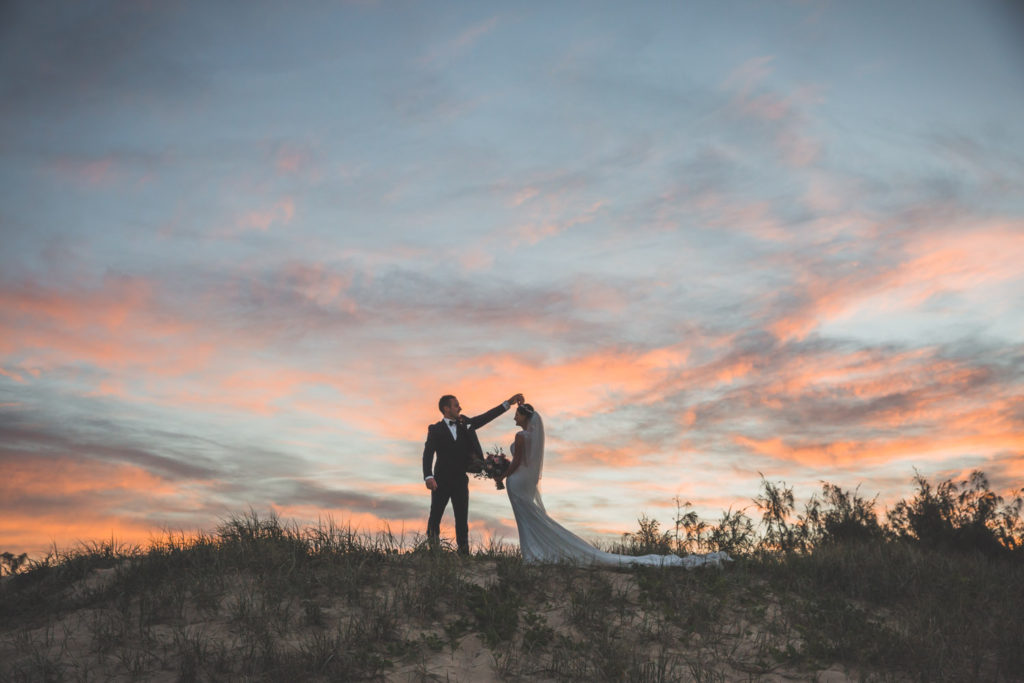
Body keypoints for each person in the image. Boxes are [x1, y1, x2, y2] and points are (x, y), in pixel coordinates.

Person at [503, 403, 732, 567]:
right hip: (523, 483)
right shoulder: (529, 436)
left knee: (528, 518)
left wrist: (500, 476)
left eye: (517, 415)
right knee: (530, 517)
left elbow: (517, 462)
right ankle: (533, 552)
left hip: (518, 480)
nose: (515, 419)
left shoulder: (522, 437)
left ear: (524, 417)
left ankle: (533, 554)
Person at [423, 392, 523, 554]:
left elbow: (485, 417)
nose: (460, 407)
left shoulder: (466, 424)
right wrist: (428, 476)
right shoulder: (435, 429)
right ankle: (434, 552)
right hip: (440, 480)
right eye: (456, 405)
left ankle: (464, 553)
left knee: (462, 518)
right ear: (446, 408)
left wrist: (507, 404)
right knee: (435, 516)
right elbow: (428, 453)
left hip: (461, 480)